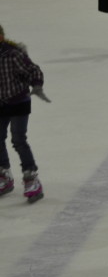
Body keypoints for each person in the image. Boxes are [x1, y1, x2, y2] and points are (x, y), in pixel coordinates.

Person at [0, 23, 48, 203]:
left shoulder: (13, 55)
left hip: (18, 101)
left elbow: (33, 70)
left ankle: (30, 176)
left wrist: (36, 85)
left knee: (18, 139)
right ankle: (3, 172)